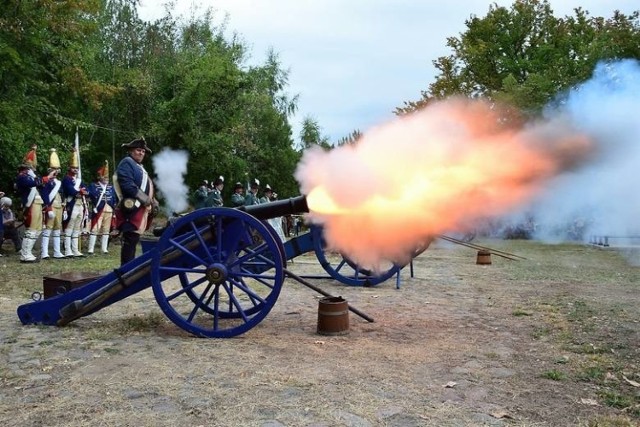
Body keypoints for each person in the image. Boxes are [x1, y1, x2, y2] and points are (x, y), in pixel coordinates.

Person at [113, 137, 157, 266]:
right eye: (138, 150)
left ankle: (128, 268)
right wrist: (146, 199)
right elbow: (127, 185)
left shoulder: (139, 167)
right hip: (131, 208)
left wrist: (153, 201)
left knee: (133, 239)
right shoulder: (127, 162)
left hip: (140, 208)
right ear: (131, 151)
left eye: (143, 151)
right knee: (130, 239)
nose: (141, 153)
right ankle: (126, 269)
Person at [15, 147, 51, 262]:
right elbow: (33, 183)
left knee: (38, 229)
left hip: (37, 203)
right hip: (30, 204)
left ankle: (28, 252)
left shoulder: (32, 176)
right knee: (31, 229)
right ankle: (25, 254)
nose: (34, 167)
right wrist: (46, 178)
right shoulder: (22, 176)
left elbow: (41, 185)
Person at [61, 149, 88, 258]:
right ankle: (68, 250)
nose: (75, 170)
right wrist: (80, 192)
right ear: (69, 168)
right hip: (71, 204)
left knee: (77, 228)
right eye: (74, 168)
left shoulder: (79, 180)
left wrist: (83, 191)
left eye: (77, 168)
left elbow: (85, 189)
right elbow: (70, 191)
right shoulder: (66, 179)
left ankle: (75, 249)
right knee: (69, 227)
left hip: (80, 204)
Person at [87, 161, 117, 254]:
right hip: (99, 209)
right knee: (95, 228)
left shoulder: (111, 187)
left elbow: (113, 197)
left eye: (107, 177)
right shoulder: (94, 186)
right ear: (100, 177)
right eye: (104, 177)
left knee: (106, 230)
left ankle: (104, 248)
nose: (106, 179)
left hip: (109, 210)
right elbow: (91, 194)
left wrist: (114, 207)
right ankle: (90, 248)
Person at [40, 148, 65, 259]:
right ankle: (44, 252)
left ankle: (57, 251)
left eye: (57, 170)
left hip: (59, 207)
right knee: (48, 229)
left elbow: (62, 195)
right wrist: (48, 208)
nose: (55, 172)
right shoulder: (47, 182)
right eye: (53, 170)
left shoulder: (59, 182)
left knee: (57, 229)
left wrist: (64, 208)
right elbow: (45, 194)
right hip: (51, 207)